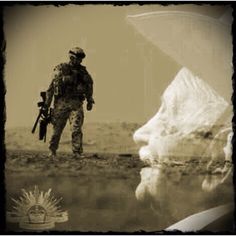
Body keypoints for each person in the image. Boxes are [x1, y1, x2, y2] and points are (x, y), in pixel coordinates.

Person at [44, 47, 94, 159]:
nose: (80, 61)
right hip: (61, 103)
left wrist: (89, 100)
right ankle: (52, 151)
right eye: (77, 58)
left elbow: (89, 86)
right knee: (57, 130)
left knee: (76, 129)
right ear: (71, 57)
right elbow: (51, 88)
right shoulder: (60, 69)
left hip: (76, 104)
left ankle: (77, 152)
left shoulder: (83, 72)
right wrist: (46, 105)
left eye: (81, 59)